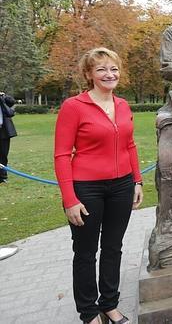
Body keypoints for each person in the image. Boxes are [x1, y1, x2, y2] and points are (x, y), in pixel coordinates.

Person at [54, 47, 143, 324]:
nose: (109, 74)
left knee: (113, 247)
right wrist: (69, 198)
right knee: (85, 253)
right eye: (102, 69)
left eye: (114, 68)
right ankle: (89, 312)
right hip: (86, 189)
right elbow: (61, 155)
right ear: (89, 74)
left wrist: (137, 180)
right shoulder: (74, 106)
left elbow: (130, 145)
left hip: (122, 186)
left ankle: (109, 304)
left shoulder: (123, 105)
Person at [0, 92, 17, 183]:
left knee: (3, 154)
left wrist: (3, 98)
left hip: (3, 131)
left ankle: (3, 176)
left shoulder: (3, 100)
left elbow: (10, 111)